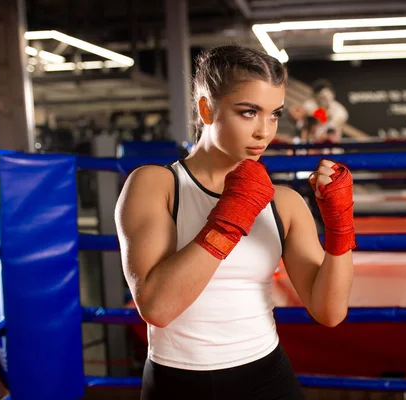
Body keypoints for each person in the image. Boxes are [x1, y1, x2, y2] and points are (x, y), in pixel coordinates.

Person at [115, 45, 356, 399]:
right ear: (206, 108)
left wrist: (340, 227)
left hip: (266, 378)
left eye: (274, 114)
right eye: (248, 112)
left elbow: (329, 311)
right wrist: (232, 217)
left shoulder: (283, 202)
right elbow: (157, 308)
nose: (264, 131)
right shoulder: (156, 185)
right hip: (177, 383)